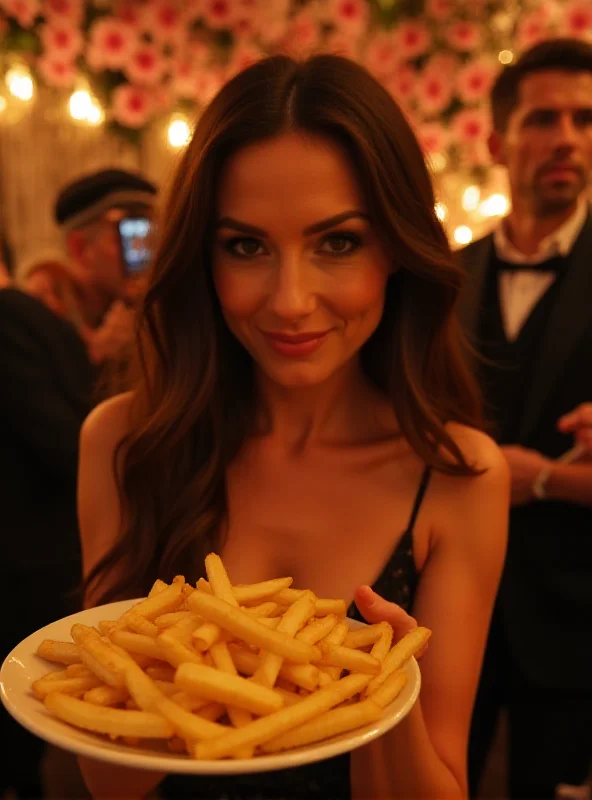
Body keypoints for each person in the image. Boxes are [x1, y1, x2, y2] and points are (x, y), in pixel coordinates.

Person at [77, 54, 509, 800]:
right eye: (245, 246)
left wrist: (382, 690)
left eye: (337, 242)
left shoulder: (458, 473)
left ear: (397, 251)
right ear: (201, 258)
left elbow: (443, 785)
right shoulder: (126, 441)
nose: (289, 301)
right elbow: (110, 781)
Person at [461, 38, 592, 800]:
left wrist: (540, 479)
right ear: (497, 140)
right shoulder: (447, 277)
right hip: (445, 613)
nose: (569, 137)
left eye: (584, 118)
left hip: (576, 621)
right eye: (544, 118)